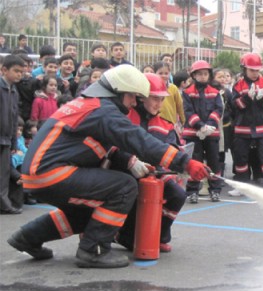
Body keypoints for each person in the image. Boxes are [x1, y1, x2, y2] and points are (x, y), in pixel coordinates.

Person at [6, 64, 210, 268]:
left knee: (88, 212)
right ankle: (93, 250)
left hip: (40, 173)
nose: (133, 102)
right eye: (131, 96)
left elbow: (93, 144)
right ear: (118, 92)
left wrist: (132, 161)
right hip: (52, 173)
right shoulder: (103, 111)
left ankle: (28, 238)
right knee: (124, 187)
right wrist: (185, 163)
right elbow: (139, 140)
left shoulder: (89, 104)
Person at [116, 73, 186, 253]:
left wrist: (181, 164)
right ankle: (123, 235)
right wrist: (131, 162)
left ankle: (160, 235)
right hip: (123, 170)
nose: (159, 104)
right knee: (132, 192)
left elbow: (172, 147)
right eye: (155, 98)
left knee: (177, 195)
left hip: (155, 173)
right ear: (140, 96)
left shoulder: (164, 123)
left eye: (162, 100)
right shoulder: (124, 117)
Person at [230, 53, 263, 193]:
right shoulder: (238, 85)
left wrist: (262, 99)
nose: (254, 73)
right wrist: (247, 98)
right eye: (251, 70)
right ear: (244, 69)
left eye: (257, 70)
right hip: (243, 128)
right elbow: (236, 106)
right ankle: (242, 186)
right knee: (241, 158)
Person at [182, 60, 224, 203]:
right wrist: (200, 126)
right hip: (193, 133)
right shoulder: (188, 92)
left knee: (214, 162)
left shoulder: (215, 92)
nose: (203, 76)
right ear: (194, 75)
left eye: (205, 74)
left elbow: (219, 109)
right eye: (199, 74)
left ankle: (215, 190)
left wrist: (210, 125)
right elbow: (188, 111)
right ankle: (192, 190)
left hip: (211, 133)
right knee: (195, 162)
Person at [0, 55, 25, 215]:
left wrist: (14, 142)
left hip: (6, 139)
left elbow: (15, 118)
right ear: (4, 70)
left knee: (4, 174)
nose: (19, 74)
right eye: (16, 71)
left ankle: (4, 204)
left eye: (21, 72)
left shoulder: (14, 91)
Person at [154, 61, 185, 127]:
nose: (164, 75)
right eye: (160, 73)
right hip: (155, 123)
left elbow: (180, 106)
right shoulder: (152, 88)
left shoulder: (173, 88)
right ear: (154, 73)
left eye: (166, 73)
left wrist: (184, 121)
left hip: (171, 123)